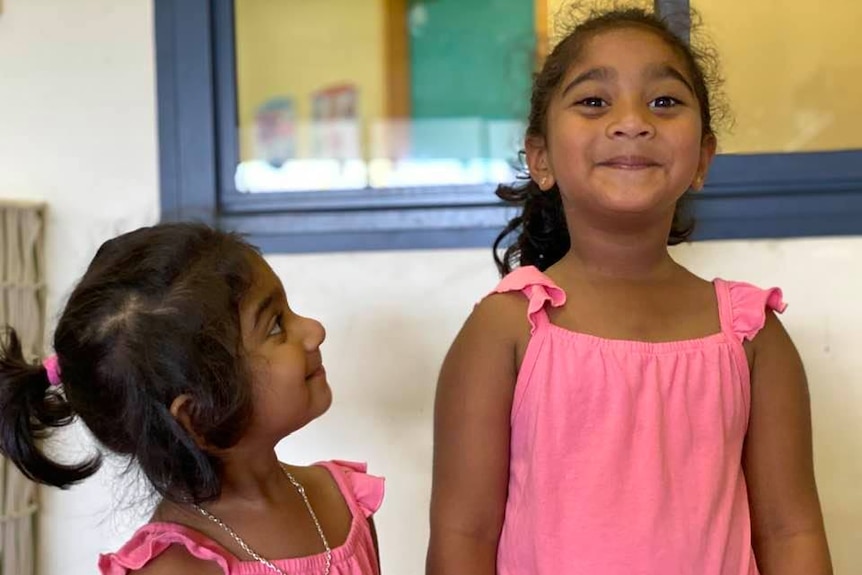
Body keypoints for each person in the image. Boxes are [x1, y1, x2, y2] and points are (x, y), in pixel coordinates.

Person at [426, 6, 831, 575]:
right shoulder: (508, 327)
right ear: (540, 158)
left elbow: (792, 530)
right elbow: (462, 535)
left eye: (664, 101)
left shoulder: (750, 333)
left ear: (703, 159)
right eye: (594, 101)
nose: (632, 121)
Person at [0, 223, 383, 575]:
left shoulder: (344, 501)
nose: (315, 330)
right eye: (276, 326)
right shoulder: (177, 568)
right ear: (199, 416)